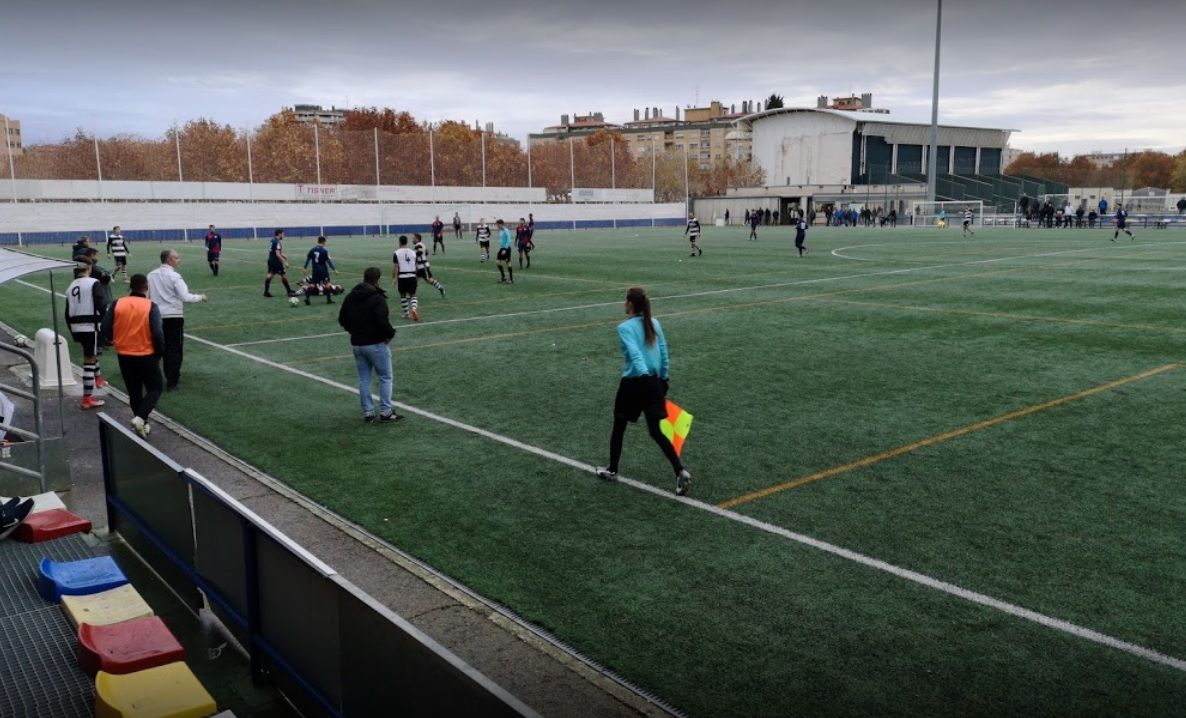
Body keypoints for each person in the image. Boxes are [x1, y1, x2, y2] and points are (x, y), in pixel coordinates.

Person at [595, 287, 692, 496]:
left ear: (630, 303)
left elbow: (635, 353)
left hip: (635, 383)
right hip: (655, 382)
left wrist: (644, 375)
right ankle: (679, 470)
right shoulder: (654, 322)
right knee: (656, 431)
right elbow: (664, 352)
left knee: (619, 425)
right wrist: (663, 378)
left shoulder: (625, 328)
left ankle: (612, 469)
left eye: (625, 300)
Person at [101, 273, 165, 439]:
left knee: (134, 391)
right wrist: (160, 351)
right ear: (146, 286)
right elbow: (157, 332)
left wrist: (114, 339)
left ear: (131, 286)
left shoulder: (117, 303)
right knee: (156, 387)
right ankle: (141, 418)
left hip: (124, 354)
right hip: (146, 353)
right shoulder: (150, 306)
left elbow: (105, 328)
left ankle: (142, 423)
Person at [337, 267, 401, 423]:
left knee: (364, 379)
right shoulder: (377, 298)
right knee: (385, 377)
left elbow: (342, 319)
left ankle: (368, 412)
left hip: (357, 344)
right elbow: (382, 321)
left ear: (363, 278)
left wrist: (354, 331)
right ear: (378, 280)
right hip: (376, 344)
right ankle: (386, 411)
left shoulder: (351, 296)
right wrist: (390, 334)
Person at [147, 249, 208, 391]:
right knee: (173, 350)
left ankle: (151, 379)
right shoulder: (174, 276)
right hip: (173, 317)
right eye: (176, 258)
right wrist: (201, 297)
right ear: (169, 260)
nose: (179, 260)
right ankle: (172, 381)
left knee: (155, 348)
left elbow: (146, 296)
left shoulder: (151, 275)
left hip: (155, 316)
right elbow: (185, 297)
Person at [65, 262, 108, 409]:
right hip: (91, 326)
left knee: (91, 354)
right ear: (88, 269)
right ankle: (87, 398)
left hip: (77, 326)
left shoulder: (70, 286)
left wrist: (73, 332)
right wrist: (107, 323)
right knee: (89, 360)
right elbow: (101, 304)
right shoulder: (93, 282)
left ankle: (99, 378)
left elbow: (66, 313)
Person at [391, 235, 420, 320]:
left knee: (403, 295)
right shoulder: (413, 252)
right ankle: (414, 309)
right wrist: (416, 276)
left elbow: (395, 267)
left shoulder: (396, 253)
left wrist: (394, 279)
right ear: (407, 242)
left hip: (402, 276)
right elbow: (416, 266)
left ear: (399, 242)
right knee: (413, 295)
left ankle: (407, 314)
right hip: (412, 276)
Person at [303, 236, 338, 304]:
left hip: (315, 270)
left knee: (312, 284)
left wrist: (305, 268)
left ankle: (307, 298)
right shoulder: (325, 251)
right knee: (327, 284)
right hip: (323, 271)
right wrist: (334, 270)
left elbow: (308, 259)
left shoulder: (312, 250)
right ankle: (328, 300)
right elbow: (329, 262)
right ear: (324, 242)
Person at [263, 229, 296, 298]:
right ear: (279, 234)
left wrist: (283, 255)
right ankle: (289, 291)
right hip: (276, 262)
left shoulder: (272, 240)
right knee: (283, 275)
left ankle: (266, 292)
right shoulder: (277, 242)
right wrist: (285, 262)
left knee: (270, 275)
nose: (283, 235)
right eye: (283, 234)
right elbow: (277, 254)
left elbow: (273, 251)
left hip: (270, 260)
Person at [412, 233, 445, 297]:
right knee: (414, 280)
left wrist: (413, 256)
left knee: (429, 280)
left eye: (413, 238)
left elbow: (419, 252)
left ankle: (440, 288)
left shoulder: (418, 245)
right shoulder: (421, 244)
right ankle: (412, 294)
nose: (412, 240)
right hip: (420, 266)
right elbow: (426, 253)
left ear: (417, 239)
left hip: (422, 266)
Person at [495, 219, 515, 283]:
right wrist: (502, 248)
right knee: (497, 262)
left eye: (498, 225)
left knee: (508, 262)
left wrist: (505, 249)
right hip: (502, 248)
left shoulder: (506, 230)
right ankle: (503, 277)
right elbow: (502, 239)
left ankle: (511, 279)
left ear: (501, 224)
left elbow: (509, 240)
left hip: (506, 249)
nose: (497, 226)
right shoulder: (501, 231)